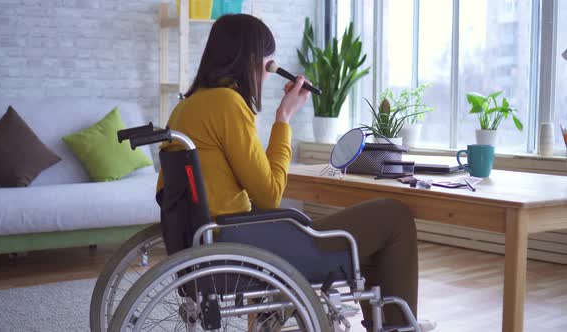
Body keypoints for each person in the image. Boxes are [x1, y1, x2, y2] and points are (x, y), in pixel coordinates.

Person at [157, 13, 433, 331]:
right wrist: (283, 118)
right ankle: (399, 326)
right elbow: (270, 195)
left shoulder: (186, 106)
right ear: (250, 60)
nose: (266, 72)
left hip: (209, 247)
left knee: (366, 240)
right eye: (267, 62)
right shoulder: (227, 104)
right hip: (244, 250)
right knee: (393, 216)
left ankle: (390, 323)